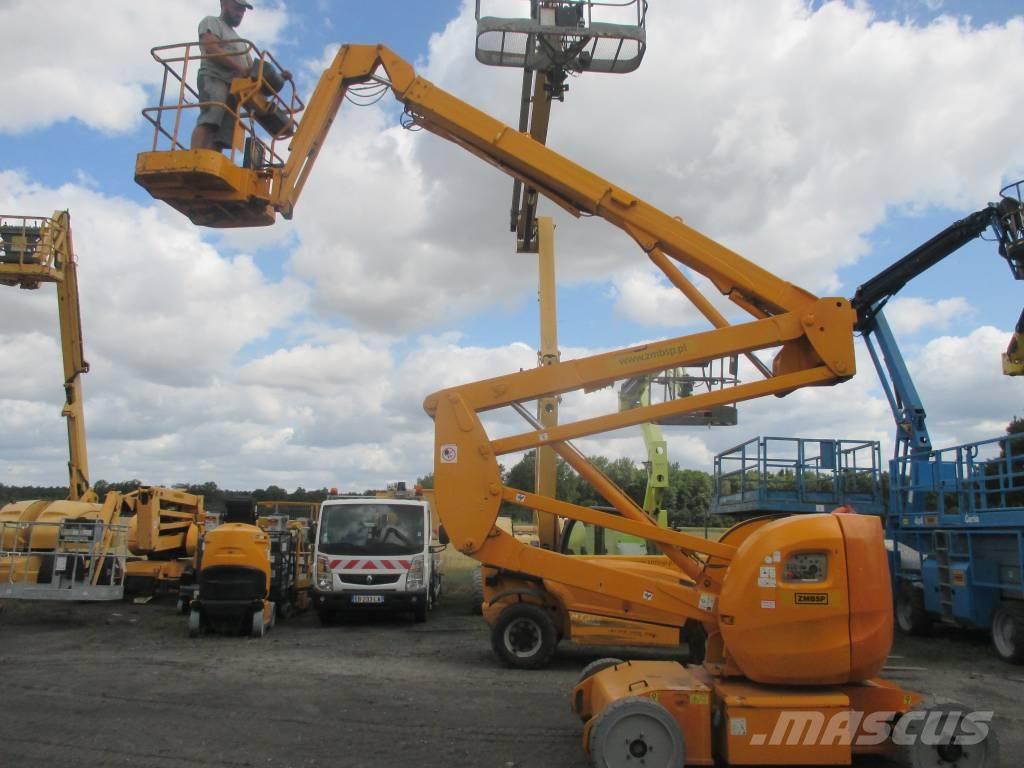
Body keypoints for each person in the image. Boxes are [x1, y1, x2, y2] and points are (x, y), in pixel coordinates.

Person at [190, 0, 255, 151]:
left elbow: (251, 69)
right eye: (237, 8)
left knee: (225, 133)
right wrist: (238, 67)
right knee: (212, 115)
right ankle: (194, 157)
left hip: (233, 89)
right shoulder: (212, 22)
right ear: (224, 3)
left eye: (243, 11)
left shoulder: (241, 42)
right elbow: (211, 48)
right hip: (214, 78)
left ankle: (211, 160)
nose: (240, 13)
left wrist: (280, 77)